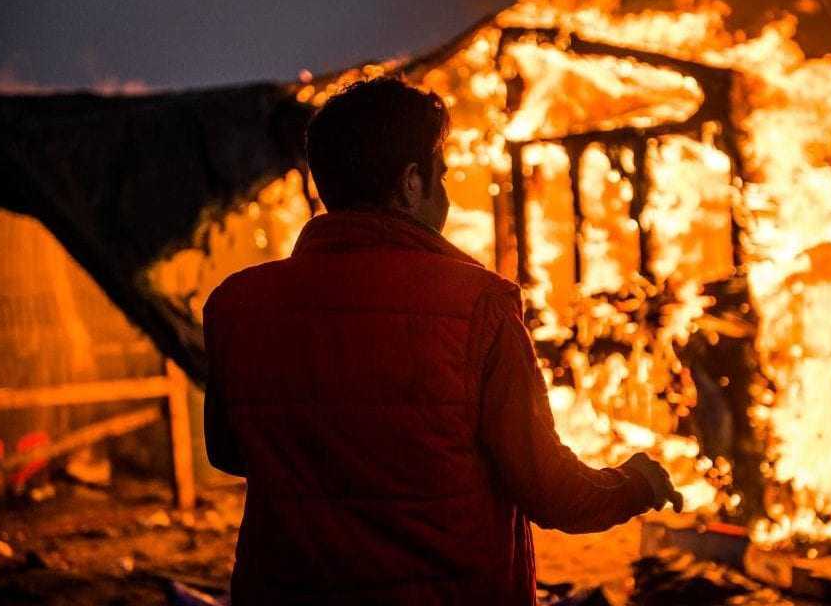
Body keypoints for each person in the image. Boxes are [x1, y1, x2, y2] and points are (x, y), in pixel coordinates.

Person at [203, 77, 682, 605]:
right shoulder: (479, 305)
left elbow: (228, 452)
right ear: (412, 183)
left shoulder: (237, 305)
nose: (448, 195)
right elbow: (553, 495)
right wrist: (638, 481)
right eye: (443, 176)